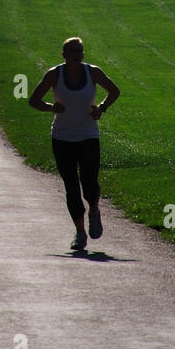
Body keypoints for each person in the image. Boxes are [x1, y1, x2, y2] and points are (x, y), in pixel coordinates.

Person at [28, 37, 120, 251]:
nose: (75, 53)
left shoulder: (93, 72)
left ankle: (94, 209)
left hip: (88, 135)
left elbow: (114, 91)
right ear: (63, 55)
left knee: (89, 182)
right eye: (71, 50)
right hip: (62, 137)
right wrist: (52, 107)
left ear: (83, 53)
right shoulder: (54, 74)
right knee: (71, 187)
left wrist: (101, 108)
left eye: (78, 50)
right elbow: (33, 100)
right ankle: (80, 233)